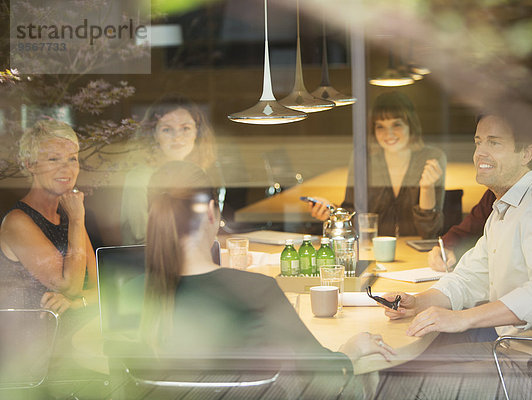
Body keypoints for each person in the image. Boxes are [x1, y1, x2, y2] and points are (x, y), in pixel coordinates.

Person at [380, 114, 532, 399]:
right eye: (478, 142)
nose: (480, 152)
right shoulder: (503, 212)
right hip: (513, 353)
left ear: (527, 153)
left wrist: (463, 319)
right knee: (398, 368)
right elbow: (468, 279)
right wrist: (417, 302)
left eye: (494, 143)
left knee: (396, 385)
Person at [139, 161, 395, 375]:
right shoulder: (254, 291)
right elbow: (324, 374)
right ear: (210, 212)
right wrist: (353, 348)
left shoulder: (136, 292)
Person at [309, 91, 446, 238]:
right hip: (372, 251)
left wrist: (427, 188)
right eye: (380, 126)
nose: (389, 134)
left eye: (396, 124)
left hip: (416, 254)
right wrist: (332, 212)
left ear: (410, 125)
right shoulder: (363, 157)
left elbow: (430, 232)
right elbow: (353, 215)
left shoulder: (430, 158)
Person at [0, 120, 97, 315]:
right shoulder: (17, 221)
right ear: (30, 165)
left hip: (75, 335)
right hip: (31, 340)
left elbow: (99, 288)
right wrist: (78, 220)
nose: (66, 168)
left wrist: (76, 303)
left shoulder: (69, 214)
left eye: (72, 159)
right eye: (54, 159)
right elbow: (69, 287)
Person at [120, 95, 218, 245]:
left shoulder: (196, 174)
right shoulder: (138, 177)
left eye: (185, 128)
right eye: (167, 129)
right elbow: (143, 236)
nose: (177, 137)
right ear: (154, 134)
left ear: (197, 133)